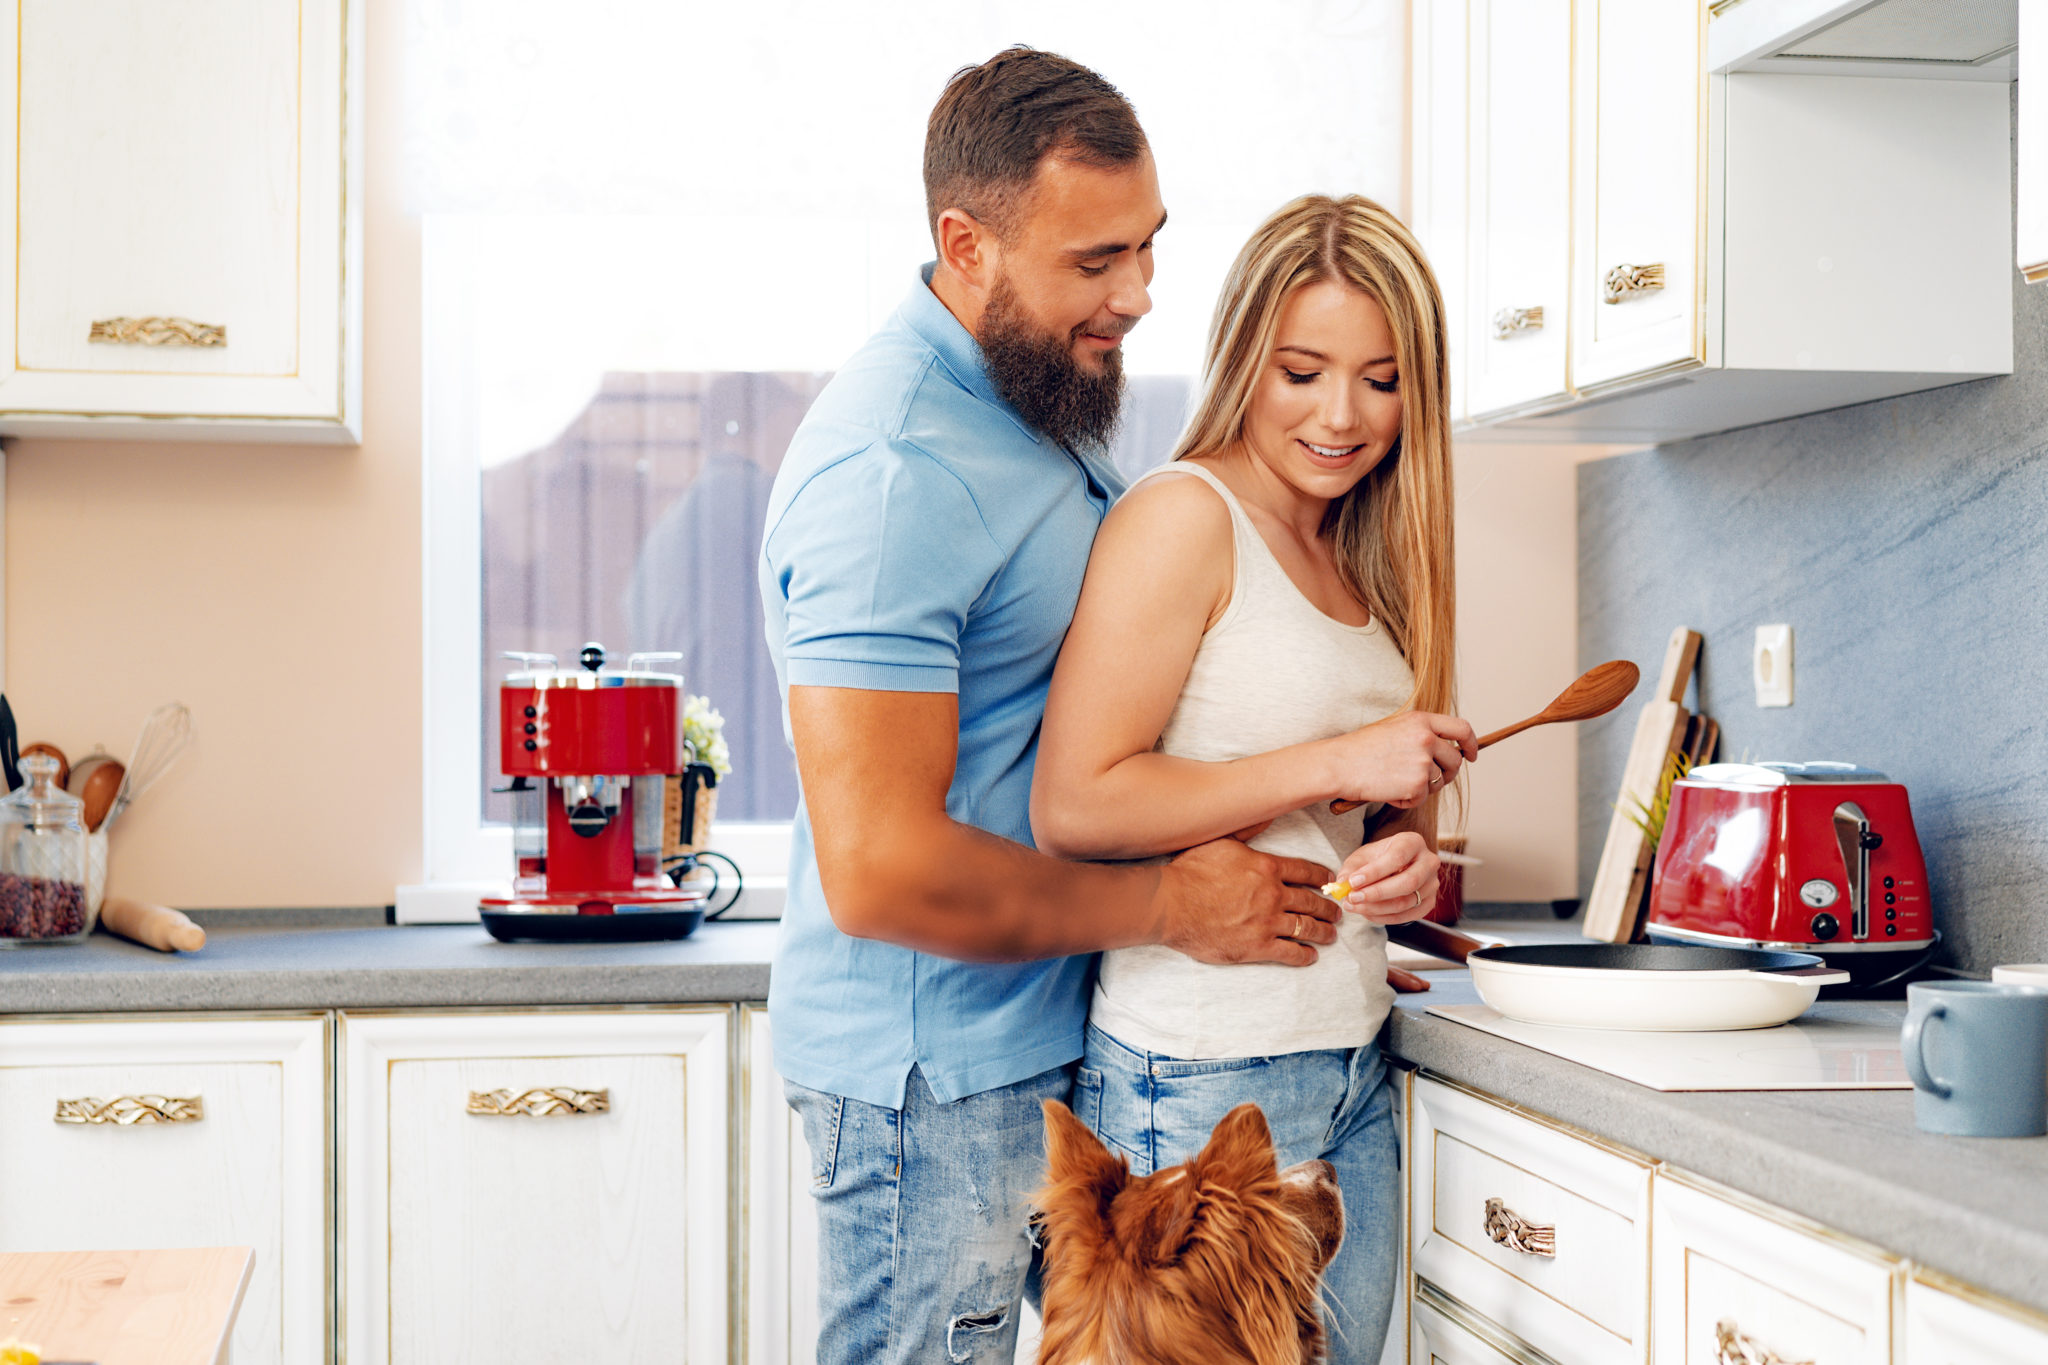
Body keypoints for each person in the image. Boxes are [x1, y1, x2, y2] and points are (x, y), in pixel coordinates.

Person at [757, 49, 1346, 1364]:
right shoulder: (895, 472)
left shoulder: (1033, 400)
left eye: (1146, 248)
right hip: (932, 1075)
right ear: (965, 245)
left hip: (1035, 1043)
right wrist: (1169, 906)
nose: (1137, 295)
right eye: (1095, 261)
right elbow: (882, 868)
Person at [1029, 193, 1477, 1363]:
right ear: (1244, 362)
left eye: (1381, 380)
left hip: (1347, 1060)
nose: (1342, 415)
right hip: (1194, 1075)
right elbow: (1076, 803)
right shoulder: (1181, 517)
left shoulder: (1362, 547)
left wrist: (1403, 862)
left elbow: (1363, 830)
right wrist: (1338, 758)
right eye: (1302, 371)